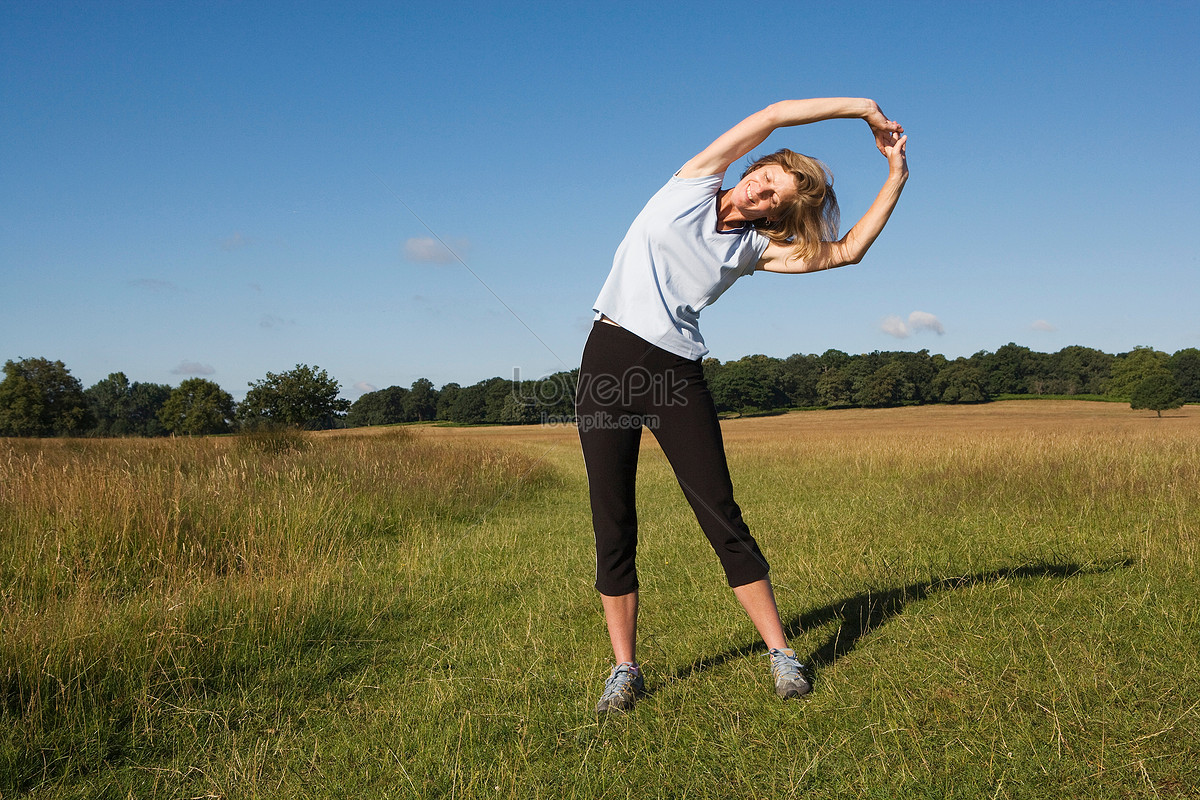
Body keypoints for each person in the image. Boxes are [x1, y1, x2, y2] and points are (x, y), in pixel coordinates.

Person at [576, 98, 909, 713]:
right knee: (612, 520)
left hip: (675, 374)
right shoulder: (692, 183)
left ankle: (782, 654)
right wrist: (862, 108)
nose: (760, 190)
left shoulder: (752, 249)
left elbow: (847, 250)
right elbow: (776, 114)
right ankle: (624, 669)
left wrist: (896, 177)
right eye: (764, 176)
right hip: (606, 366)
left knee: (721, 514)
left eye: (775, 195)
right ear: (753, 167)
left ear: (780, 212)